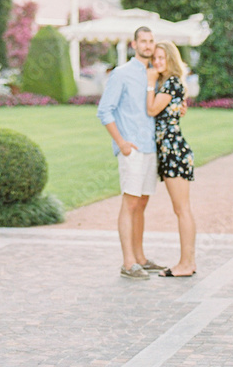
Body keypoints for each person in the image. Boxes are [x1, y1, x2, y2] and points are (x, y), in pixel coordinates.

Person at [97, 26, 163, 279]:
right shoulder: (121, 73)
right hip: (131, 149)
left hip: (150, 148)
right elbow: (105, 111)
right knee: (130, 202)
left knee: (142, 203)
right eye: (143, 41)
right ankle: (128, 263)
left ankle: (141, 258)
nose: (147, 45)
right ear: (134, 44)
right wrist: (121, 143)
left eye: (151, 41)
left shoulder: (154, 74)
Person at [147, 40, 196, 277]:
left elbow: (152, 109)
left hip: (175, 152)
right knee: (181, 210)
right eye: (154, 58)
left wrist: (148, 84)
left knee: (182, 210)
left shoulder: (171, 83)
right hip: (169, 151)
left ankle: (186, 263)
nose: (157, 62)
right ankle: (187, 262)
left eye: (161, 58)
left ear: (171, 60)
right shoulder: (166, 84)